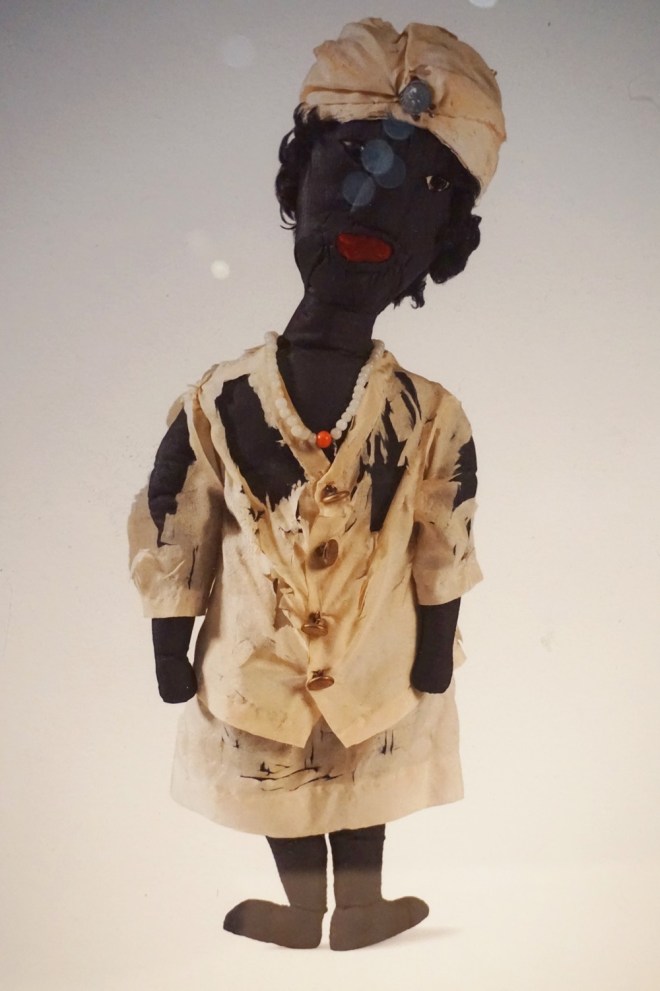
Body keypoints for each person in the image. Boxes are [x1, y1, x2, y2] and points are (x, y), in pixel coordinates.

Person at [129, 18, 505, 951]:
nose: (375, 198)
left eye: (418, 188)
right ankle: (302, 910)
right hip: (255, 661)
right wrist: (170, 635)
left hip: (377, 660)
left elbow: (444, 534)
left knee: (360, 764)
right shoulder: (215, 400)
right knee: (276, 768)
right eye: (355, 164)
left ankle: (361, 904)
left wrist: (436, 644)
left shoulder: (430, 415)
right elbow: (177, 520)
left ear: (440, 243)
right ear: (300, 185)